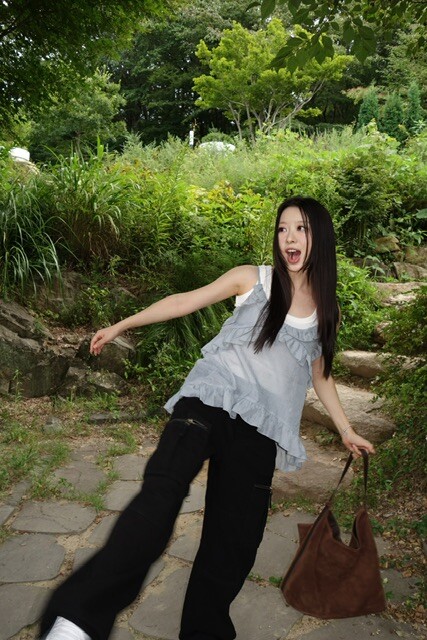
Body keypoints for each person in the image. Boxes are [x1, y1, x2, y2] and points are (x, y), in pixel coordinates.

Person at [40, 196, 375, 640]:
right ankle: (77, 621)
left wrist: (347, 430)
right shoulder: (253, 279)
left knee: (234, 543)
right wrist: (123, 324)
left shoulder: (326, 309)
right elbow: (184, 301)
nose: (289, 238)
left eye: (302, 229)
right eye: (282, 229)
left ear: (321, 238)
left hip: (260, 430)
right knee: (161, 492)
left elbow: (321, 374)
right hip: (209, 402)